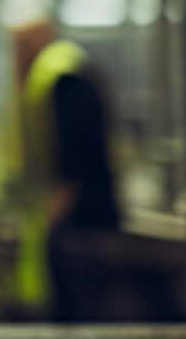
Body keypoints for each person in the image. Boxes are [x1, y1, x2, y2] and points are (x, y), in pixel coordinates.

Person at [9, 18, 122, 322]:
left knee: (79, 312)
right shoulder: (66, 72)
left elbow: (80, 147)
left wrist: (60, 203)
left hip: (78, 221)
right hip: (83, 217)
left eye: (19, 45)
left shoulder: (61, 78)